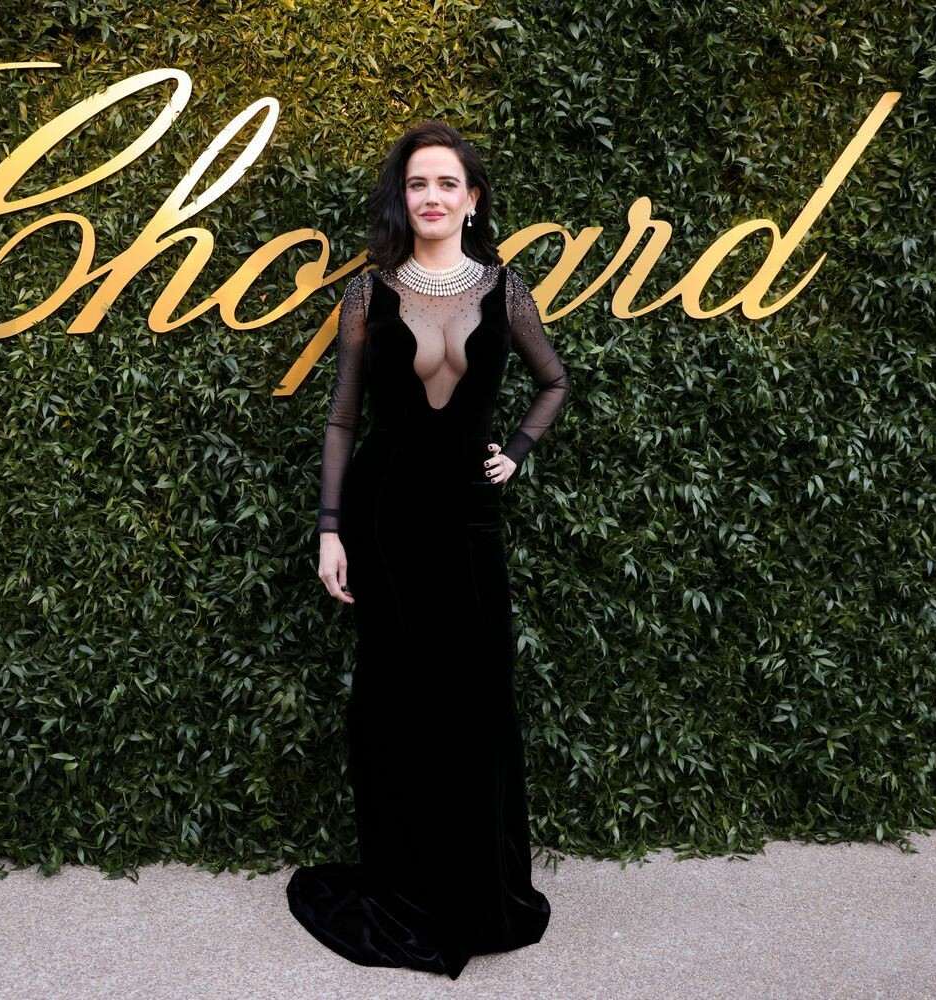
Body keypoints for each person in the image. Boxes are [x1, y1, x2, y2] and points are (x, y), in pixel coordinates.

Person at [287, 120, 571, 980]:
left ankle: (476, 891)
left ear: (472, 198)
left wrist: (515, 452)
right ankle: (405, 885)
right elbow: (343, 418)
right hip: (384, 521)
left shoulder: (505, 290)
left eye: (448, 182)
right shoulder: (366, 295)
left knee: (475, 699)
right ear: (401, 199)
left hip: (468, 521)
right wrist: (330, 529)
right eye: (418, 183)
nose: (433, 196)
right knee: (396, 705)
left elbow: (555, 381)